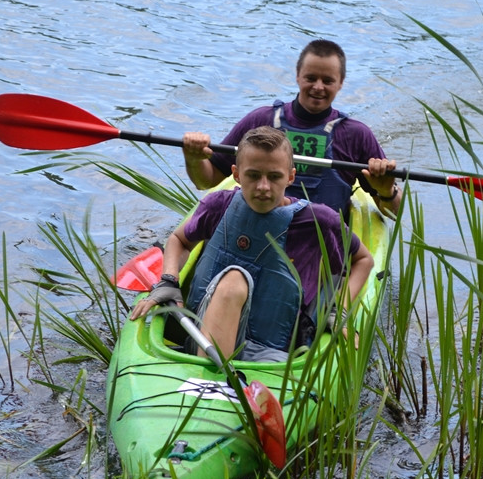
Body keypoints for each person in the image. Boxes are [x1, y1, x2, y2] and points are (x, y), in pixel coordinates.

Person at [131, 126, 374, 362]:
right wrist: (169, 280)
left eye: (274, 176)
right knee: (234, 279)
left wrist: (339, 310)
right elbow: (179, 239)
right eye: (253, 175)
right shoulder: (218, 205)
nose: (263, 187)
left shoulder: (318, 220)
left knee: (236, 279)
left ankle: (214, 375)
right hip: (199, 336)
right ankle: (212, 372)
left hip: (272, 351)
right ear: (236, 174)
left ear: (291, 176)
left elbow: (363, 260)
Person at [181, 39, 402, 217]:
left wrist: (386, 192)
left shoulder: (356, 135)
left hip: (320, 240)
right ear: (297, 76)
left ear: (341, 82)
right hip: (255, 230)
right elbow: (206, 181)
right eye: (310, 78)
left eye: (327, 80)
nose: (318, 87)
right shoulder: (260, 121)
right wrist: (193, 158)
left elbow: (395, 213)